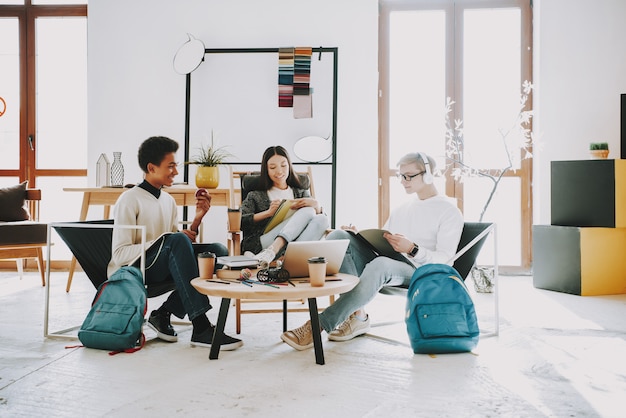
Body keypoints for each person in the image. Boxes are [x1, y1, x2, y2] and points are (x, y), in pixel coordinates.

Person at [280, 151, 464, 350]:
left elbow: (446, 260)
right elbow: (384, 240)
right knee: (339, 237)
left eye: (409, 176)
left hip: (422, 273)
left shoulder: (448, 210)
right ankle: (358, 315)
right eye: (401, 176)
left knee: (381, 265)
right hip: (391, 264)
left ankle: (317, 325)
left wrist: (412, 249)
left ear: (428, 174)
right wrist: (359, 236)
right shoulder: (403, 209)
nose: (403, 181)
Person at [107, 136, 243, 350]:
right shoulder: (129, 199)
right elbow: (120, 255)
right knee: (177, 240)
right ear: (151, 168)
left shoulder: (167, 200)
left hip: (160, 264)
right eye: (170, 166)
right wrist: (164, 241)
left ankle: (163, 314)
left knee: (216, 251)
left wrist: (197, 219)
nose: (176, 172)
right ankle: (200, 326)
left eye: (175, 166)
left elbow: (174, 247)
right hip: (135, 269)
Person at [240, 145, 329, 267]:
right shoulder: (255, 195)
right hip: (262, 245)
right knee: (308, 211)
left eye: (283, 165)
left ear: (289, 166)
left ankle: (288, 258)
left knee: (322, 218)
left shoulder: (300, 192)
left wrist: (317, 206)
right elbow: (240, 220)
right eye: (272, 167)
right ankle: (273, 250)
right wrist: (268, 213)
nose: (279, 171)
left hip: (292, 247)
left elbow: (319, 222)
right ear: (266, 169)